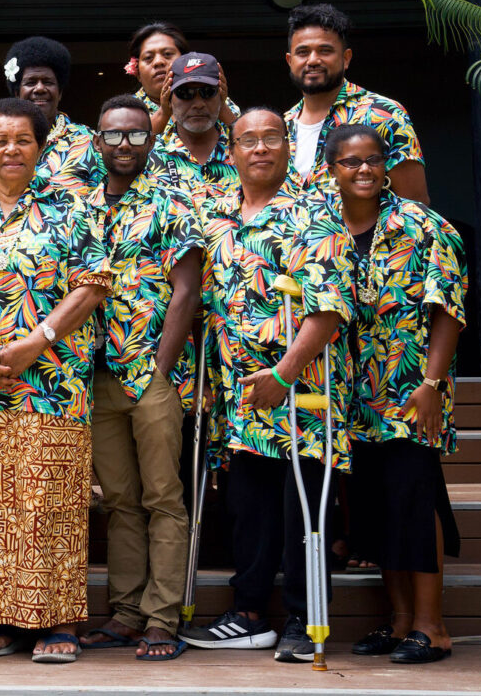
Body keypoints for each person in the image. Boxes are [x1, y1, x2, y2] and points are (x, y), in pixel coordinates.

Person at [178, 108, 358, 664]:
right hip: (240, 395)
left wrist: (283, 373)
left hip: (304, 390)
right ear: (230, 151)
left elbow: (327, 310)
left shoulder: (314, 217)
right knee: (248, 504)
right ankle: (249, 613)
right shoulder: (217, 218)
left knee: (302, 509)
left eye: (271, 139)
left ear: (287, 147)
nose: (259, 148)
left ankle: (306, 621)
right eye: (247, 140)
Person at [0, 98, 112, 664]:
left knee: (49, 502)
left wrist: (38, 340)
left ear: (40, 147)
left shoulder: (73, 206)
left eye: (23, 140)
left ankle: (57, 622)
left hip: (54, 380)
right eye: (0, 140)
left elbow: (91, 284)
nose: (10, 149)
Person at [322, 125, 466, 665]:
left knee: (413, 498)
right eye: (350, 162)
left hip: (411, 391)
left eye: (373, 161)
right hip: (349, 396)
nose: (363, 170)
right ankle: (400, 619)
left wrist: (431, 385)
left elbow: (447, 310)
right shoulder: (324, 230)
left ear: (386, 167)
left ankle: (433, 626)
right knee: (377, 505)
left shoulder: (425, 227)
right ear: (331, 169)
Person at [78, 96, 202, 661]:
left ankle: (161, 617)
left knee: (161, 497)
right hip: (92, 373)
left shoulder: (171, 203)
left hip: (148, 371)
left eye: (134, 136)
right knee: (120, 501)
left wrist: (162, 369)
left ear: (150, 141)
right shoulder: (74, 204)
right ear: (97, 141)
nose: (123, 145)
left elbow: (187, 291)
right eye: (113, 136)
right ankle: (125, 613)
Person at [284, 3, 429, 203]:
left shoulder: (383, 113)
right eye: (303, 52)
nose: (313, 60)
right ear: (290, 61)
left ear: (346, 58)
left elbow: (415, 203)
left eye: (325, 51)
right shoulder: (282, 126)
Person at [0, 36, 96, 196]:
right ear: (17, 93)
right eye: (31, 82)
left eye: (48, 82)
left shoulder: (88, 141)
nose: (39, 88)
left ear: (60, 93)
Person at [154, 52, 240, 204]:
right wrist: (163, 112)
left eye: (207, 92)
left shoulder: (246, 150)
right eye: (185, 93)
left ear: (221, 95)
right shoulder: (152, 153)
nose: (198, 103)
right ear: (168, 97)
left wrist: (224, 109)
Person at [124, 23, 237, 136]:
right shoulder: (125, 111)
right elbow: (130, 146)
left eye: (167, 54)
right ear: (137, 72)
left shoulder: (216, 99)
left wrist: (220, 107)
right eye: (148, 58)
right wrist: (163, 113)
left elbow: (245, 140)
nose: (158, 62)